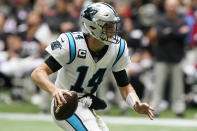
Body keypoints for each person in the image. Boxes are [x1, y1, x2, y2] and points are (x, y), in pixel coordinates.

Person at [31, 2, 154, 131]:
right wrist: (55, 90)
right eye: (107, 25)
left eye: (113, 25)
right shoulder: (72, 44)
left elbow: (124, 85)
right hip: (66, 105)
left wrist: (135, 103)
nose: (112, 30)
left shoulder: (117, 48)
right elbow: (38, 72)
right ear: (93, 26)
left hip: (87, 105)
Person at [150, 0, 189, 117]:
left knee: (178, 87)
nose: (171, 8)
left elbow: (184, 35)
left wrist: (169, 32)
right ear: (166, 7)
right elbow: (159, 35)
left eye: (174, 6)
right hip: (161, 58)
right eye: (169, 6)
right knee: (158, 86)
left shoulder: (182, 20)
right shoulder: (160, 20)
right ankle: (154, 109)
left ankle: (179, 110)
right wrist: (175, 32)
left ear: (177, 7)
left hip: (177, 58)